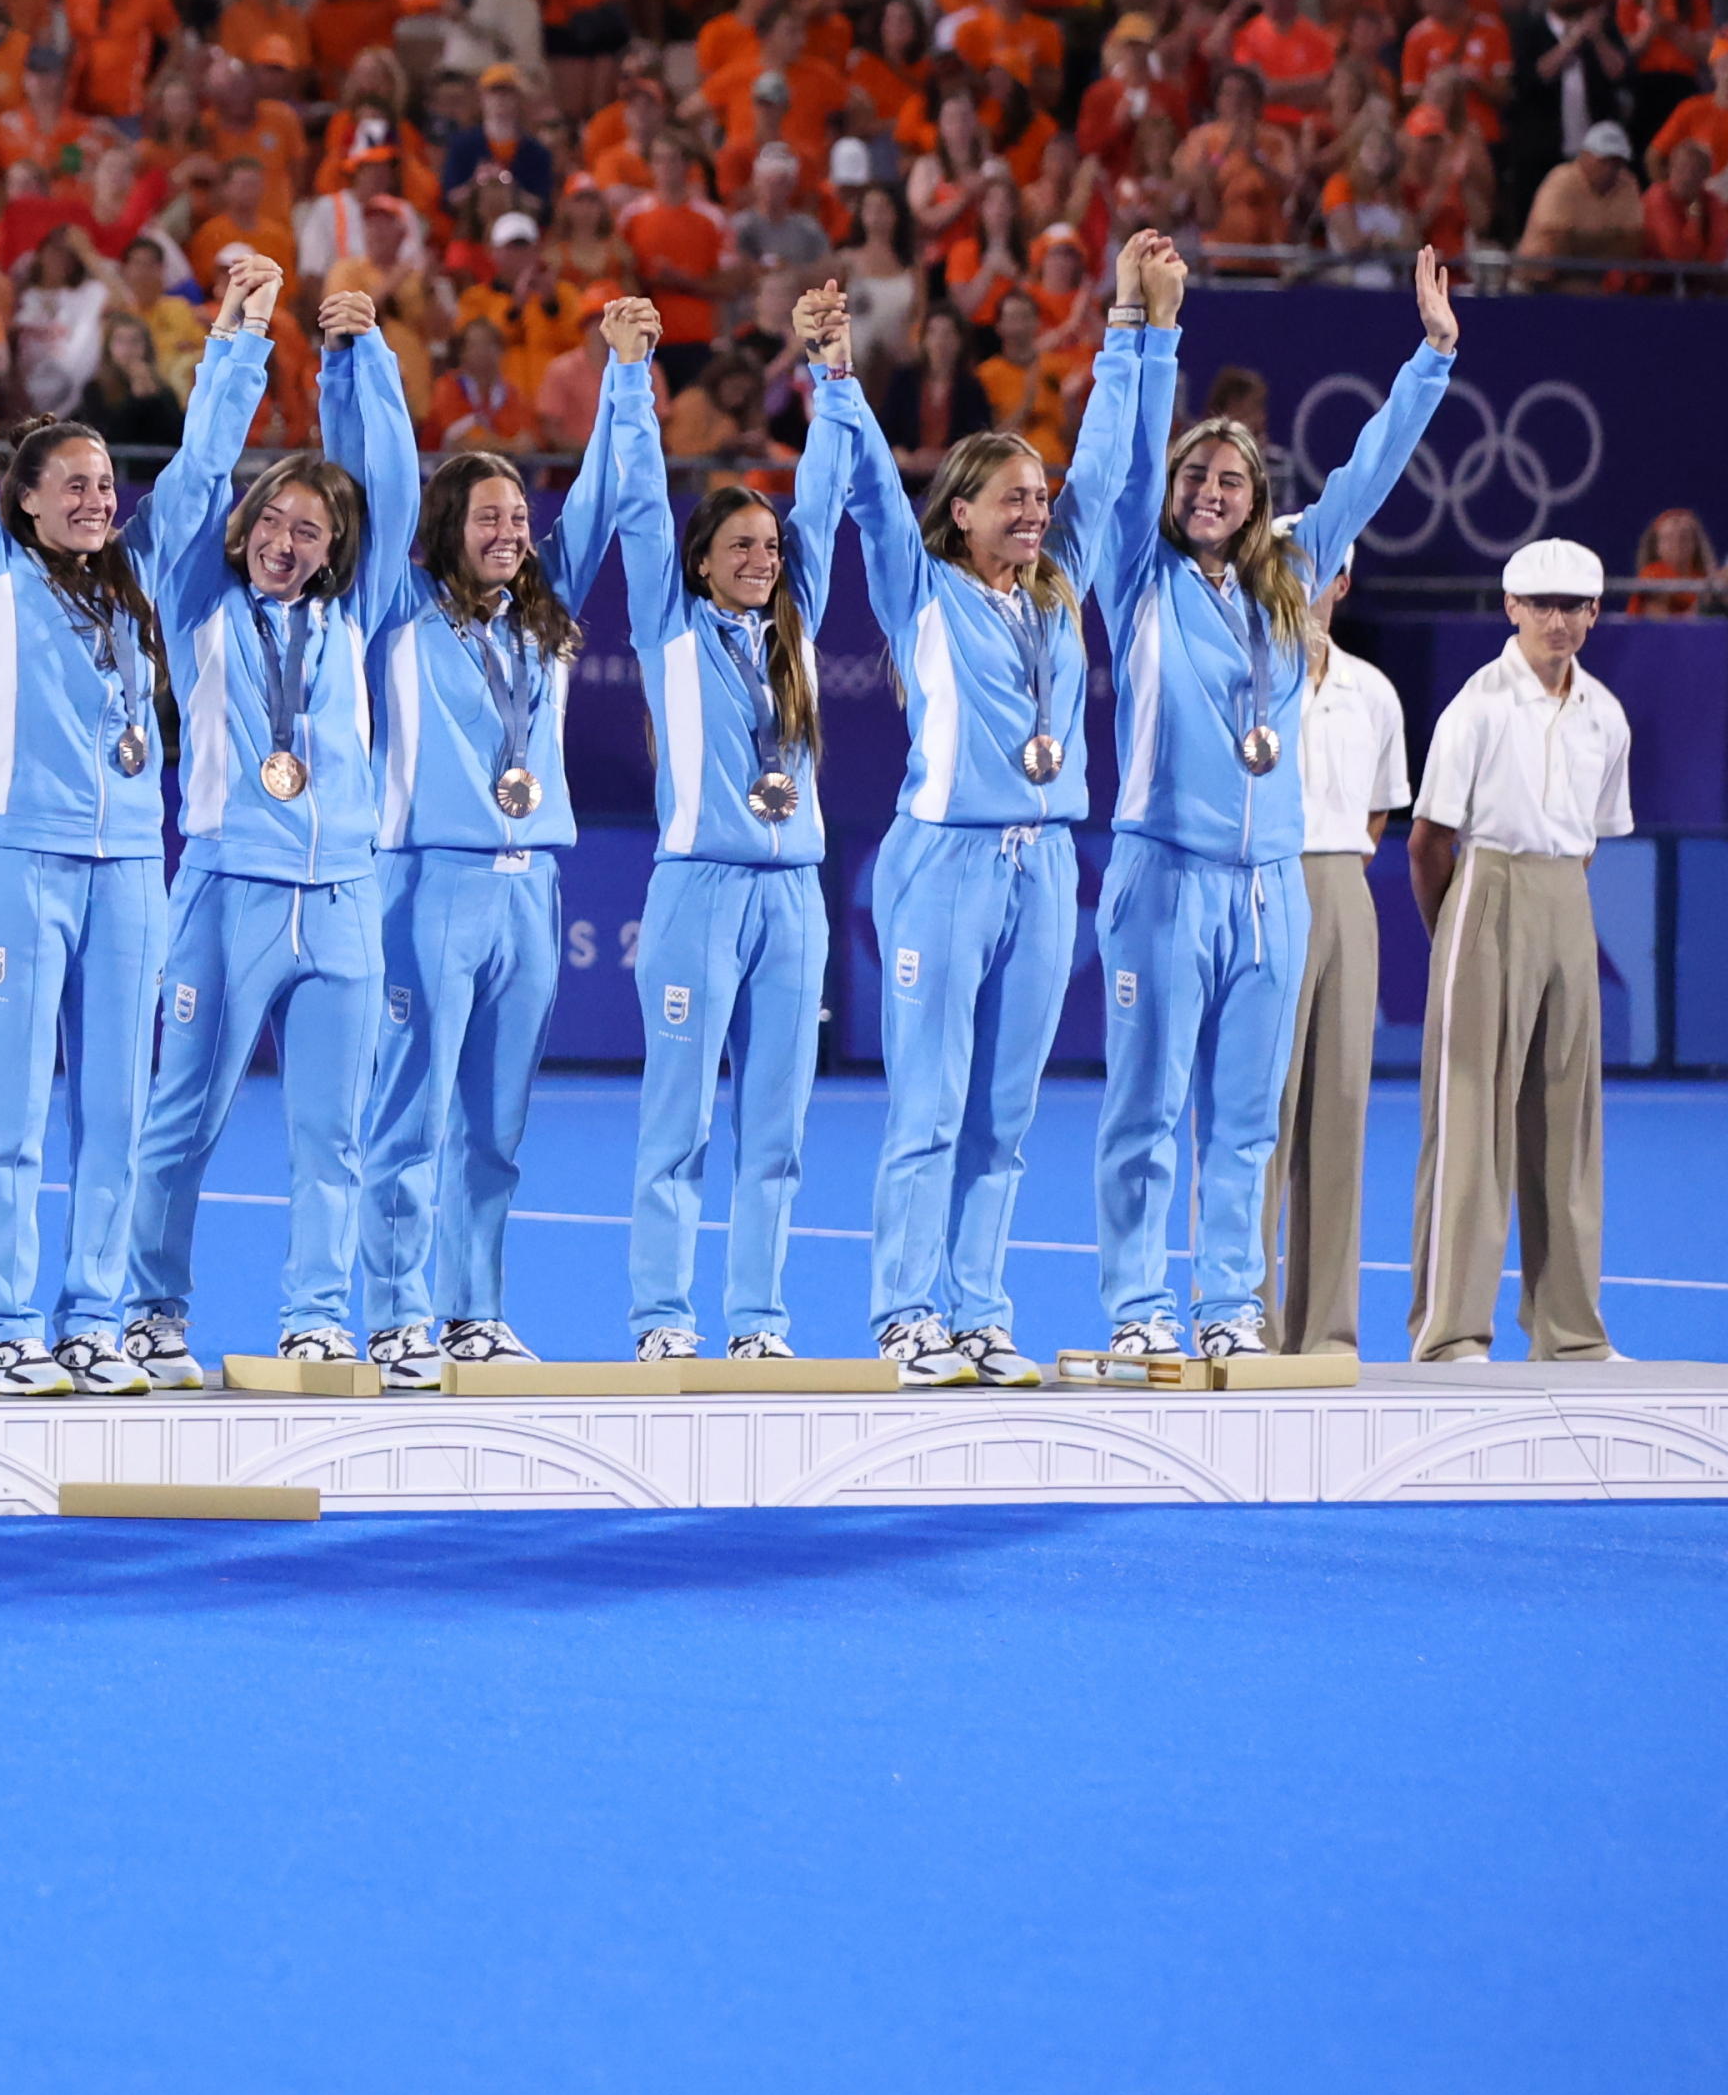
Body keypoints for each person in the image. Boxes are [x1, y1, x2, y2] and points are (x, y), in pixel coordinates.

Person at [1087, 235, 1459, 1358]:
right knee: (1146, 1112)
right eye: (1194, 478)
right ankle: (1138, 1304)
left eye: (1229, 482)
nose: (1206, 492)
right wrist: (1146, 330)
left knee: (1245, 1122)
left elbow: (1367, 471)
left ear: (1258, 505)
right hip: (1161, 874)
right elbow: (1123, 460)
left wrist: (1430, 360)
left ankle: (1228, 1306)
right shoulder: (1134, 574)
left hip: (1269, 889)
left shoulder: (1291, 580)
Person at [0, 239, 279, 1390]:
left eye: (98, 483)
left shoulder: (140, 580)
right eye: (65, 484)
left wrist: (234, 335)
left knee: (116, 1113)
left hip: (130, 868)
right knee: (17, 1114)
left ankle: (89, 1317)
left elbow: (201, 470)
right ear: (20, 504)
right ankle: (1, 1328)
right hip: (20, 866)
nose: (91, 498)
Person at [810, 278, 1156, 1388]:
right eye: (1007, 496)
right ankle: (905, 1313)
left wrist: (1133, 332)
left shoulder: (1055, 596)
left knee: (1003, 1113)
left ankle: (976, 1312)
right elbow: (868, 490)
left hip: (1046, 867)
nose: (1032, 510)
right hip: (945, 864)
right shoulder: (917, 587)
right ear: (956, 510)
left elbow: (1101, 476)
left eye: (1034, 496)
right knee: (927, 1101)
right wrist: (835, 379)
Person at [115, 276, 426, 1372]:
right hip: (226, 885)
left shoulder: (354, 612)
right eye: (272, 522)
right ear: (242, 529)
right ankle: (151, 1310)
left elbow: (385, 484)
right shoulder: (194, 598)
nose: (286, 542)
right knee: (181, 1119)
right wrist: (237, 347)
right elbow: (196, 474)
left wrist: (359, 361)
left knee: (329, 1139)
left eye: (310, 530)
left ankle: (314, 1314)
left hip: (342, 895)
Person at [356, 310, 631, 1384]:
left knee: (495, 1125)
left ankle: (472, 1310)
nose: (509, 531)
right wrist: (374, 360)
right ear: (444, 528)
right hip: (427, 880)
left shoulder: (541, 615)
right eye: (487, 516)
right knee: (411, 1108)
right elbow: (379, 481)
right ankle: (394, 1315)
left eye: (519, 514)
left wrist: (623, 376)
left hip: (530, 888)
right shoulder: (400, 605)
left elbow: (602, 501)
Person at [596, 284, 867, 1363]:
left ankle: (757, 1322)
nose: (761, 557)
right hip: (697, 892)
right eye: (739, 544)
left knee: (777, 1129)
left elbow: (828, 486)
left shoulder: (794, 627)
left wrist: (828, 370)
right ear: (700, 559)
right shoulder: (667, 624)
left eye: (770, 544)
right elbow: (631, 502)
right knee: (678, 1120)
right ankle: (664, 1319)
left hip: (790, 895)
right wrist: (628, 381)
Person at [1407, 535, 1633, 1365]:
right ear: (1511, 608)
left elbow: (1590, 841)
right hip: (1486, 885)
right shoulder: (1477, 707)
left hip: (1565, 897)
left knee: (1569, 1122)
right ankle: (1451, 1331)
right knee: (1470, 1120)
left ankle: (1570, 1331)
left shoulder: (1606, 715)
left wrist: (1553, 906)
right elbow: (1428, 841)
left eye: (1575, 605)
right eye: (1542, 604)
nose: (1558, 621)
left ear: (1596, 613)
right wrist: (1453, 945)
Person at [1264, 560, 1410, 1356]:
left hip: (1345, 887)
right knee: (1255, 1117)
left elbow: (1379, 811)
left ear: (1344, 584)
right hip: (1264, 882)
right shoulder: (1242, 674)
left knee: (1339, 1113)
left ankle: (1326, 1332)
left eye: (1317, 575)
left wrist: (1334, 877)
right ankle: (1242, 1322)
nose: (1300, 588)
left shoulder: (1374, 693)